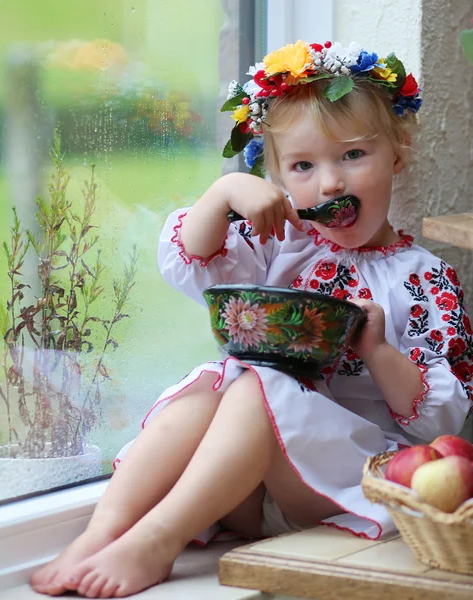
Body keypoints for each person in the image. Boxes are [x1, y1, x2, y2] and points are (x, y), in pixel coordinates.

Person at [31, 40, 473, 598]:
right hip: (237, 488)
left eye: (352, 156)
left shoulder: (425, 278)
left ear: (397, 154)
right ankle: (102, 532)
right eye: (303, 166)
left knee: (255, 383)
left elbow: (439, 426)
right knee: (215, 385)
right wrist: (223, 194)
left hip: (342, 484)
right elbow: (192, 262)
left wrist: (377, 351)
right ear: (277, 175)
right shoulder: (280, 241)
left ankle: (157, 540)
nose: (330, 183)